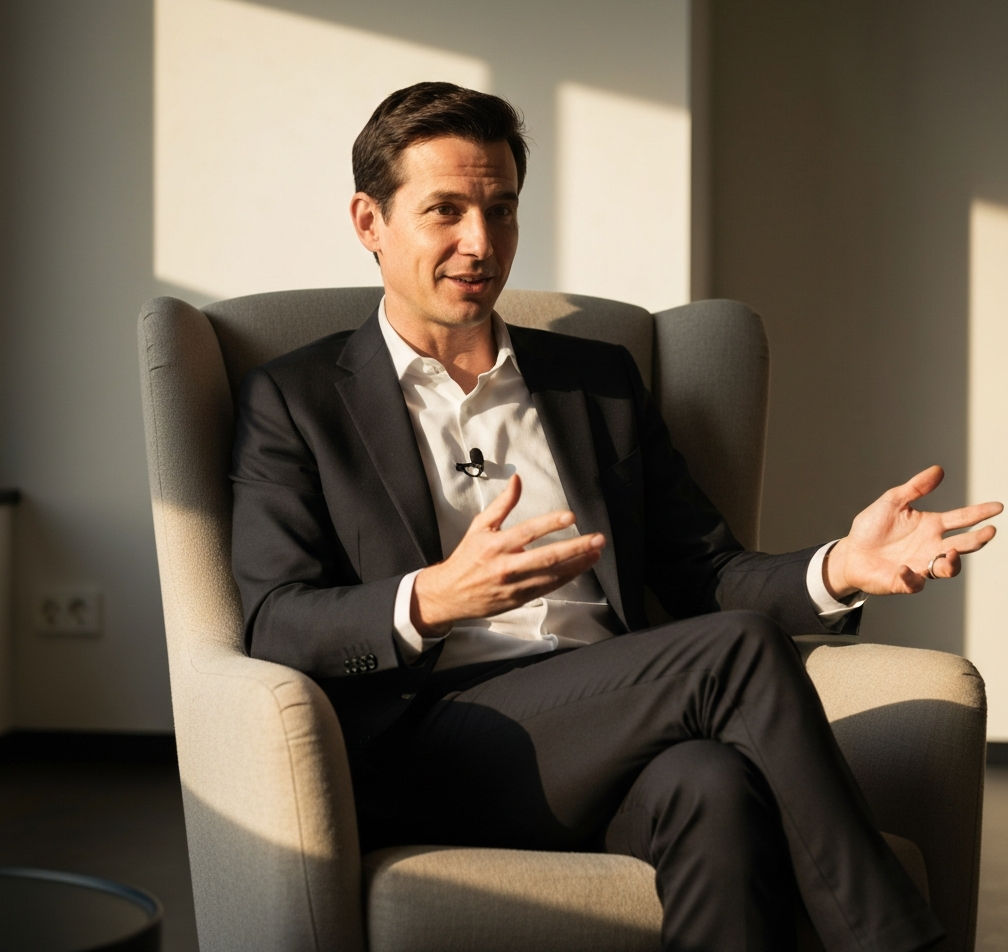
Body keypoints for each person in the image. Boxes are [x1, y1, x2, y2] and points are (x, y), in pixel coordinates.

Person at [230, 82, 1001, 952]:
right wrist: (434, 599)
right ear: (370, 221)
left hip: (617, 720)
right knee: (740, 647)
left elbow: (705, 574)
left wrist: (836, 571)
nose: (480, 243)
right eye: (444, 210)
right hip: (438, 743)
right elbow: (275, 621)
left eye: (501, 209)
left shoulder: (595, 381)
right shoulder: (296, 399)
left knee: (713, 787)